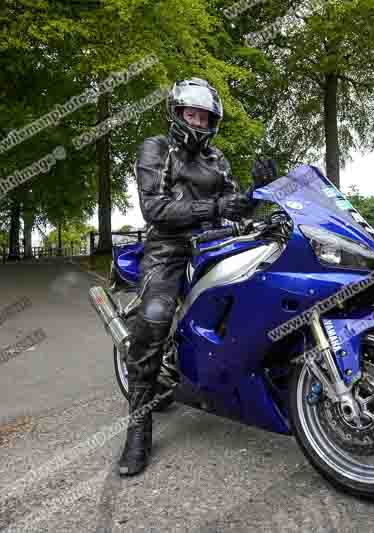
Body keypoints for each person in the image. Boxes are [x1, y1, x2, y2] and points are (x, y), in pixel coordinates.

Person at [121, 78, 276, 476]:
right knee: (155, 316)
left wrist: (259, 190)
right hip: (169, 247)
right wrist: (216, 206)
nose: (199, 121)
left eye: (205, 116)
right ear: (176, 114)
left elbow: (236, 206)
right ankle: (139, 424)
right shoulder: (156, 149)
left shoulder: (218, 159)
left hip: (215, 242)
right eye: (192, 114)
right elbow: (154, 208)